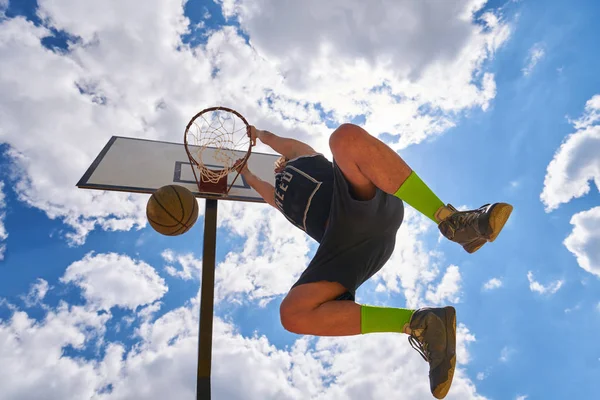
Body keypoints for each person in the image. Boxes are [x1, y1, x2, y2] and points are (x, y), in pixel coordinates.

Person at [235, 123, 512, 399]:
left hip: (359, 203)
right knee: (293, 314)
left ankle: (453, 222)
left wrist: (257, 135)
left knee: (344, 138)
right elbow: (265, 191)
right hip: (346, 244)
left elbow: (278, 141)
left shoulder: (301, 156)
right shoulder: (280, 200)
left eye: (280, 162)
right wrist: (245, 172)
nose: (278, 168)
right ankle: (423, 323)